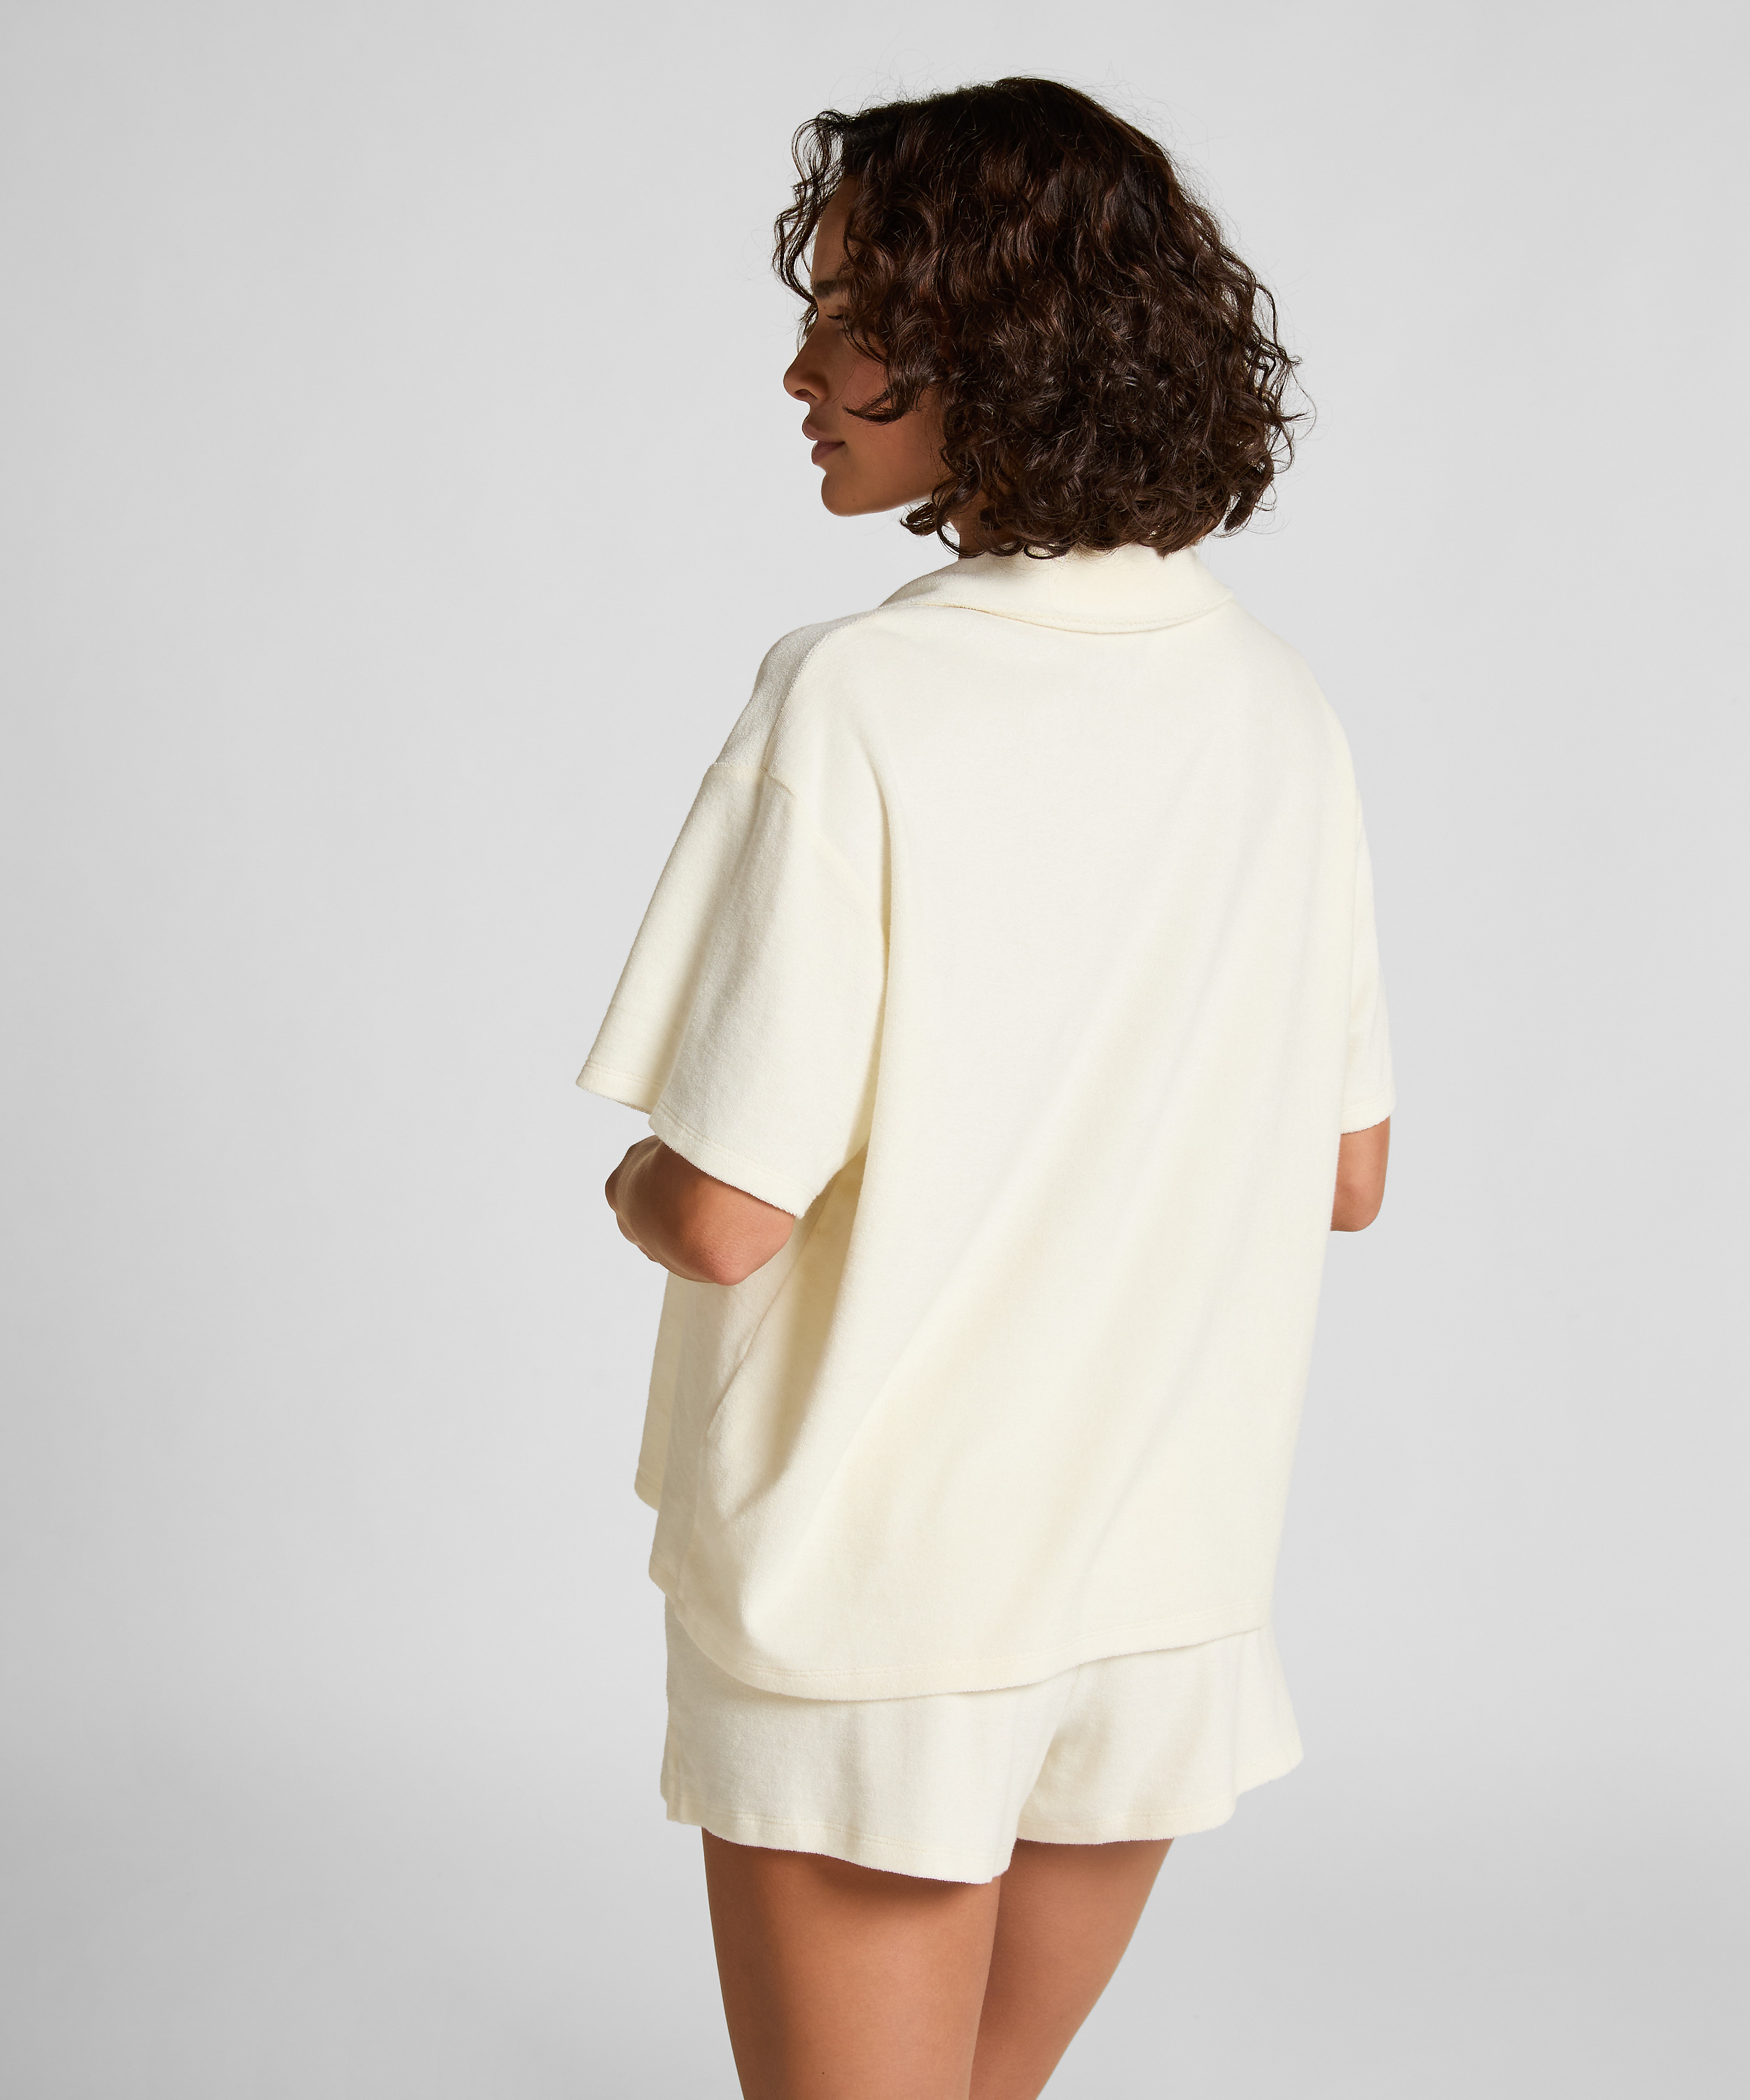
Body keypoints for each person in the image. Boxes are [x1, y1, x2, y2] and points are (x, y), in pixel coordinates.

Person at [579, 77, 1393, 2100]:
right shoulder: (1274, 706)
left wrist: (628, 1186)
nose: (803, 369)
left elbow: (724, 1211)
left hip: (879, 1609)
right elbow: (1348, 1169)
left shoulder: (856, 696)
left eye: (857, 318)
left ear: (1003, 346)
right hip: (1152, 1587)